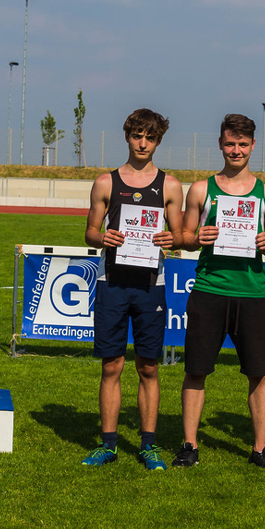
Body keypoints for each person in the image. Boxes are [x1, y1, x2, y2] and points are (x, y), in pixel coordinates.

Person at [172, 114, 265, 470]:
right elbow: (183, 237)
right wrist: (197, 238)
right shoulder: (201, 189)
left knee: (259, 373)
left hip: (252, 294)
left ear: (253, 146)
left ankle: (260, 448)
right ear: (221, 144)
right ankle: (189, 445)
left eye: (243, 144)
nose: (236, 150)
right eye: (230, 143)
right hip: (210, 289)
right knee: (196, 370)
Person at [80, 109, 184, 470]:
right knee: (111, 366)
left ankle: (148, 445)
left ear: (158, 141)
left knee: (149, 367)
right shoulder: (105, 182)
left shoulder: (170, 185)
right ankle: (108, 444)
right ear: (127, 136)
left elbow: (180, 235)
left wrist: (172, 239)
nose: (143, 144)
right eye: (137, 136)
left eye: (150, 138)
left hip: (150, 285)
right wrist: (102, 237)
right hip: (112, 282)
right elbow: (90, 231)